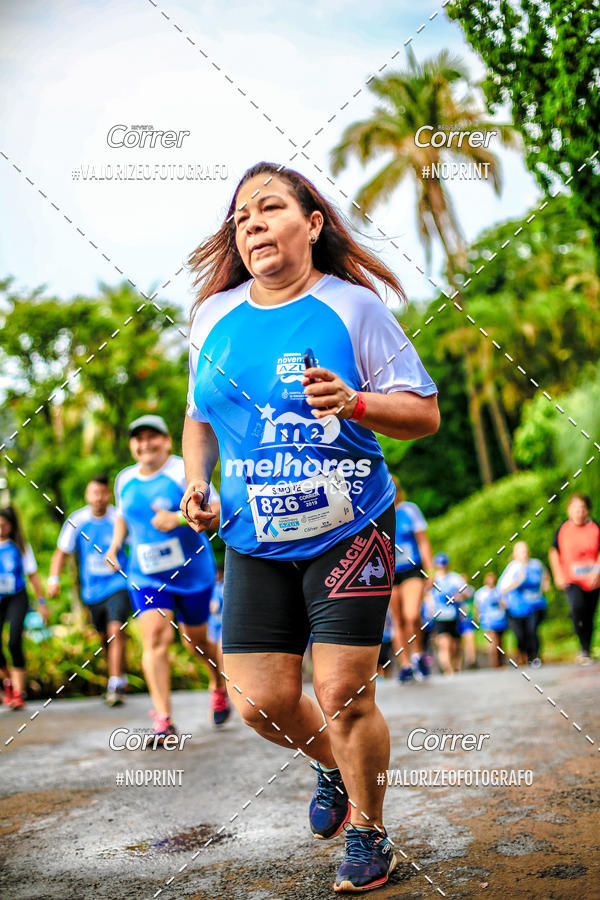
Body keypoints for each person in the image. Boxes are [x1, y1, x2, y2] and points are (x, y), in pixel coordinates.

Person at [182, 161, 439, 892]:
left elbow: (423, 412)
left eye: (269, 208)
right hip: (253, 536)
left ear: (312, 223)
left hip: (350, 527)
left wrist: (355, 402)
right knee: (259, 701)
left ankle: (369, 833)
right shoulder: (212, 317)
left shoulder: (353, 309)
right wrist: (197, 483)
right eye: (241, 217)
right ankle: (335, 767)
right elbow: (198, 417)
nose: (253, 224)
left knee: (343, 690)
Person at [105, 415, 230, 742]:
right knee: (156, 638)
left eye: (152, 437)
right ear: (132, 445)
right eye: (138, 439)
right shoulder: (124, 479)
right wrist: (115, 546)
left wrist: (177, 518)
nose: (145, 444)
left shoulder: (183, 471)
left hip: (192, 572)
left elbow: (217, 510)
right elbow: (123, 517)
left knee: (194, 641)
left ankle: (218, 683)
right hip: (146, 575)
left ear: (167, 441)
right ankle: (163, 719)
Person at [48, 476, 130, 706]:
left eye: (102, 493)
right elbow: (61, 552)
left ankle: (115, 684)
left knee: (116, 629)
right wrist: (53, 579)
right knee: (104, 637)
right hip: (92, 591)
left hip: (118, 584)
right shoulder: (77, 520)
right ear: (87, 495)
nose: (98, 498)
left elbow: (137, 543)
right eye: (94, 493)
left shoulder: (118, 518)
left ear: (109, 495)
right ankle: (119, 674)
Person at [0, 506, 47, 710]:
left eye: (4, 525)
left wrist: (42, 603)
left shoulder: (20, 547)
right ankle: (8, 682)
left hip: (17, 597)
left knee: (14, 641)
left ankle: (19, 692)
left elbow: (33, 575)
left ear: (11, 526)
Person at [389, 481, 434, 683]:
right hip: (389, 572)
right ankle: (405, 665)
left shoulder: (409, 510)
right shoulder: (377, 512)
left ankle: (417, 655)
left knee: (412, 614)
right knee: (397, 619)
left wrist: (430, 570)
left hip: (411, 568)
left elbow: (423, 541)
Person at [549, 493, 600, 665]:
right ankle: (583, 647)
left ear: (587, 510)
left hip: (593, 580)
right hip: (572, 579)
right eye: (575, 508)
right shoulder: (563, 529)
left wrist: (596, 571)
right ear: (569, 510)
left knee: (589, 614)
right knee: (577, 608)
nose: (579, 512)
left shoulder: (595, 527)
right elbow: (554, 551)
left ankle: (586, 649)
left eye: (582, 508)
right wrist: (558, 574)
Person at [498, 542, 549, 667]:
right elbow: (502, 588)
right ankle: (523, 654)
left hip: (535, 604)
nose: (524, 554)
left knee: (533, 630)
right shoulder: (513, 568)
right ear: (515, 554)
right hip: (517, 608)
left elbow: (544, 575)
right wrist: (518, 582)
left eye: (525, 551)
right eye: (521, 552)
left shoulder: (536, 564)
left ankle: (535, 657)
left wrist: (546, 584)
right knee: (521, 634)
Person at [428, 553, 463, 675]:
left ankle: (455, 667)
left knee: (455, 646)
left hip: (454, 615)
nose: (442, 568)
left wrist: (460, 596)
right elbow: (426, 595)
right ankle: (448, 671)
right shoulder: (433, 580)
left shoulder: (455, 578)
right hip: (439, 616)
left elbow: (467, 592)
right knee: (444, 644)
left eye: (443, 565)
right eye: (439, 566)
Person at [474, 572, 506, 668]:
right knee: (493, 641)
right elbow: (477, 607)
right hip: (488, 620)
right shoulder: (481, 593)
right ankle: (495, 662)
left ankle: (501, 661)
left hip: (500, 619)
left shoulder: (499, 591)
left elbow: (505, 604)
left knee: (500, 641)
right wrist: (478, 617)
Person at [457, 577, 477, 669]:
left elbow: (467, 596)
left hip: (468, 619)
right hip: (457, 620)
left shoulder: (470, 589)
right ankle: (459, 663)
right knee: (458, 643)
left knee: (470, 639)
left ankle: (471, 660)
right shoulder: (454, 589)